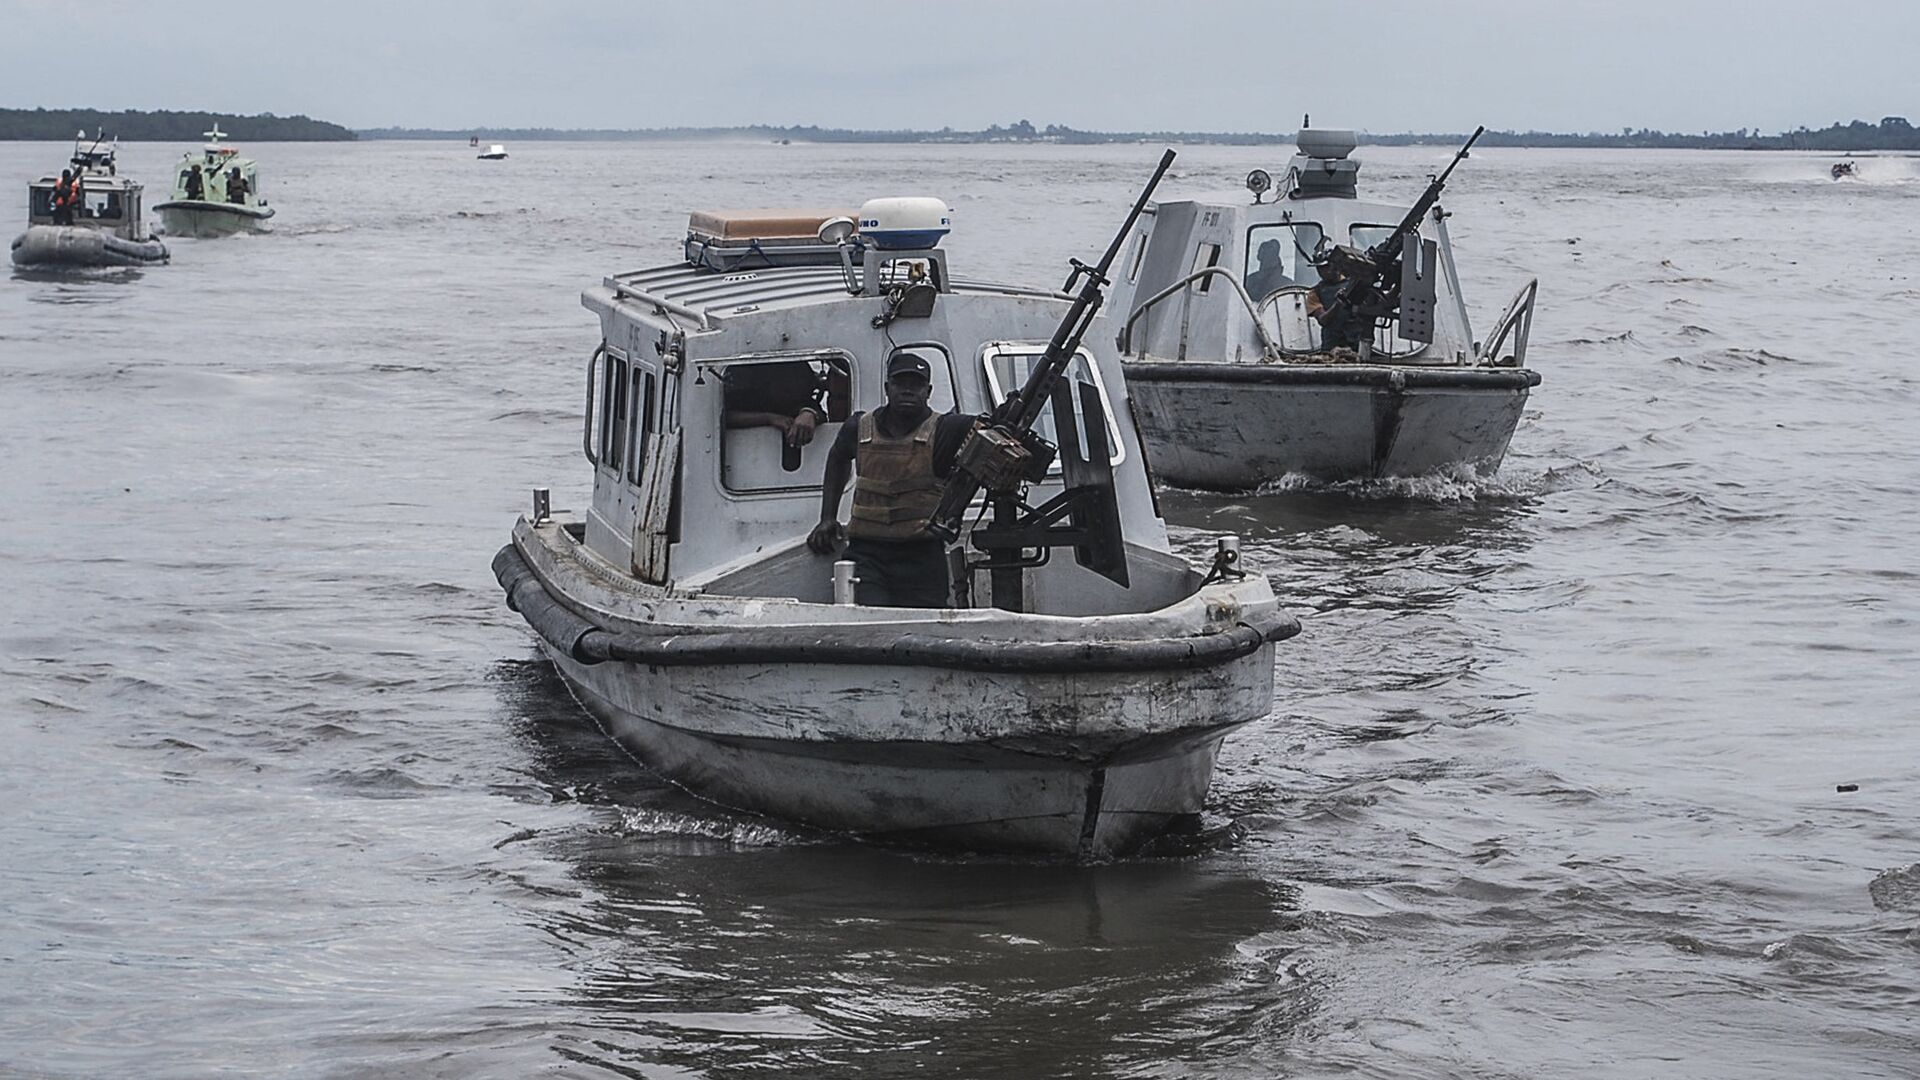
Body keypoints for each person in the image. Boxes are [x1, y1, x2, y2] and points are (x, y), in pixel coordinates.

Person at [807, 351, 977, 607]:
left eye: (917, 385)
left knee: (926, 630)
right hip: (867, 552)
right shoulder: (859, 427)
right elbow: (837, 457)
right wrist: (827, 517)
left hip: (921, 555)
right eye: (901, 384)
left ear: (928, 391)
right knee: (872, 622)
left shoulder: (947, 429)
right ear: (887, 388)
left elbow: (991, 429)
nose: (908, 391)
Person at [724, 360, 836, 448]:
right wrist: (769, 418)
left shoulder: (798, 400)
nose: (794, 389)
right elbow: (726, 416)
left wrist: (809, 414)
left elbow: (820, 415)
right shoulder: (749, 397)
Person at [1305, 260, 1368, 352]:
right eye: (1319, 268)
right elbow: (1323, 320)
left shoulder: (1355, 284)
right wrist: (1337, 304)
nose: (1322, 272)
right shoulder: (1315, 292)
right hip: (1331, 346)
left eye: (1326, 267)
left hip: (1357, 344)